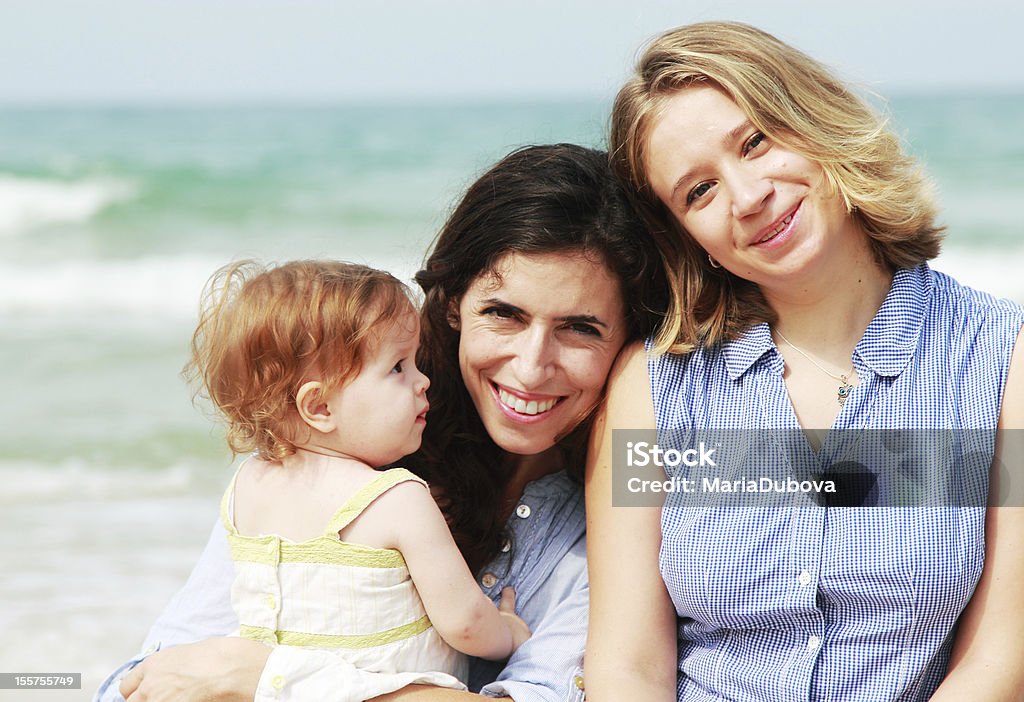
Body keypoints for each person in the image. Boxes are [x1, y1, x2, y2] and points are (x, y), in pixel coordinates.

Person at [97, 143, 666, 702]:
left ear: (628, 341)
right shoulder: (323, 462)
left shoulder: (626, 517)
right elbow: (141, 681)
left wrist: (273, 679)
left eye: (580, 328)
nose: (531, 365)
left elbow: (223, 673)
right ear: (452, 305)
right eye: (503, 314)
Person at [586, 21, 1024, 702]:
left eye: (755, 142)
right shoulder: (654, 389)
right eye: (698, 191)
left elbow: (1000, 658)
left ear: (814, 121)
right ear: (685, 236)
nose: (748, 195)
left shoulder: (1001, 361)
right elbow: (628, 665)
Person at [180, 258, 533, 694]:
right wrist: (509, 632)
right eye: (398, 367)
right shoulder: (397, 498)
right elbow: (464, 623)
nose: (423, 381)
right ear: (320, 408)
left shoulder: (248, 484)